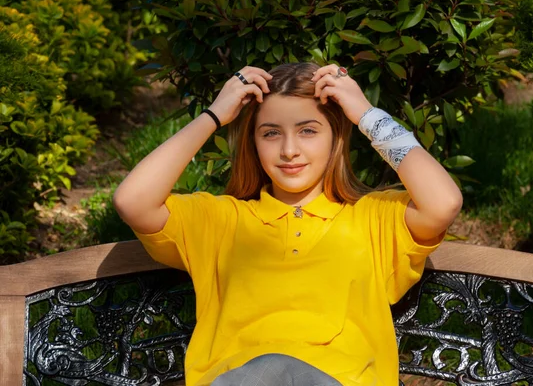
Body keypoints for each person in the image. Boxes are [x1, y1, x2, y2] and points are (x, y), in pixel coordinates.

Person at [113, 62, 462, 386]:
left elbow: (443, 203)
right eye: (271, 133)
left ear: (335, 138)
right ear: (253, 142)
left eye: (308, 131)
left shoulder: (372, 218)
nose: (289, 150)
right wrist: (215, 115)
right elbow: (133, 201)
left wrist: (366, 115)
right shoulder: (220, 220)